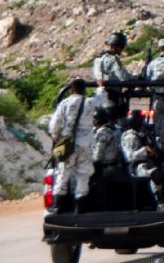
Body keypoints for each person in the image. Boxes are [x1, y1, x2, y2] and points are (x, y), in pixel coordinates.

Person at [49, 78, 106, 213]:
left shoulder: (65, 103)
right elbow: (101, 98)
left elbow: (54, 125)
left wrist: (56, 137)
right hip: (86, 145)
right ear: (84, 89)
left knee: (63, 174)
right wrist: (101, 87)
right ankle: (80, 207)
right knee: (83, 174)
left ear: (71, 90)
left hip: (69, 145)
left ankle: (58, 206)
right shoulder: (89, 102)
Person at [121, 109, 164, 211]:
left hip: (149, 162)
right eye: (140, 120)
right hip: (136, 167)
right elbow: (129, 157)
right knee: (155, 174)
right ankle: (159, 203)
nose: (142, 122)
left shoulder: (142, 133)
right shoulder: (130, 137)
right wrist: (145, 151)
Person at [93, 32, 134, 118]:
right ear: (115, 46)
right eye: (121, 47)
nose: (122, 50)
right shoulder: (112, 59)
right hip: (111, 99)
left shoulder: (98, 59)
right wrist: (136, 77)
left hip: (98, 98)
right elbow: (124, 78)